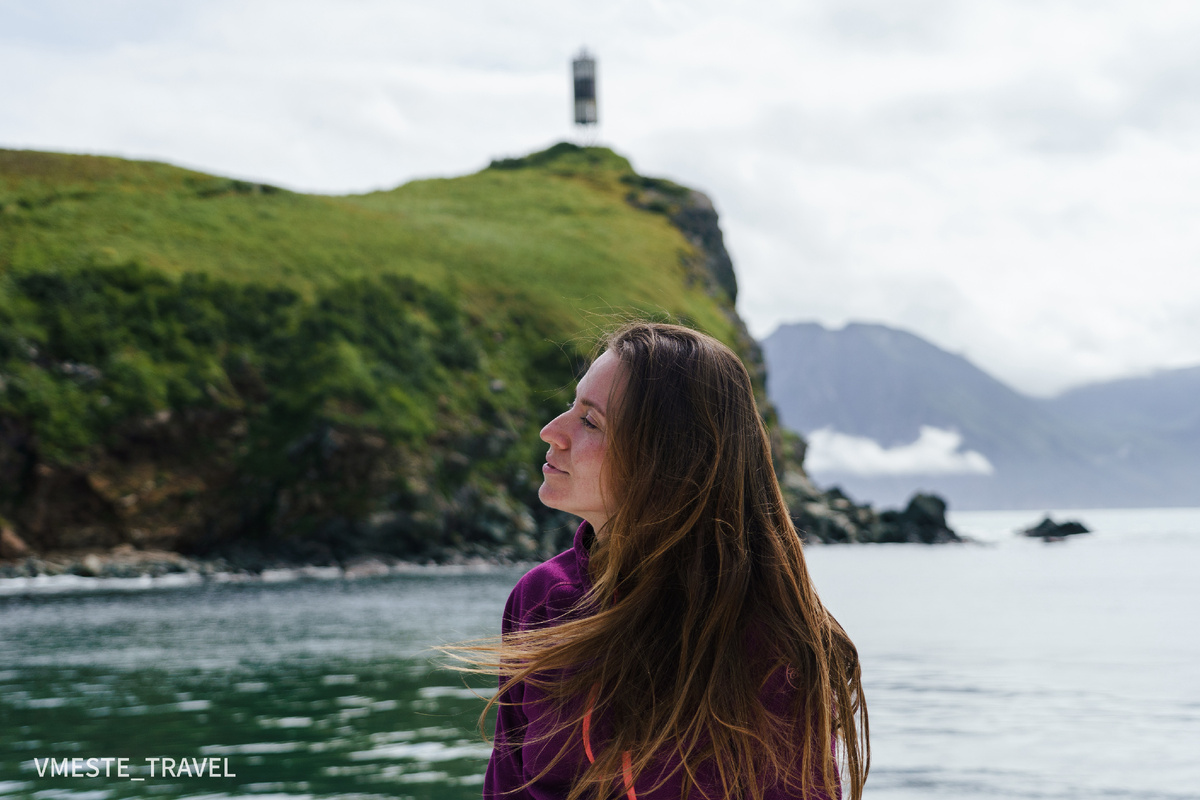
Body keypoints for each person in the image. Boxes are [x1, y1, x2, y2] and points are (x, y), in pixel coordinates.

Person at [477, 321, 868, 800]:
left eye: (590, 421)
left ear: (667, 461)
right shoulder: (539, 600)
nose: (551, 431)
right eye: (571, 407)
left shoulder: (768, 642)